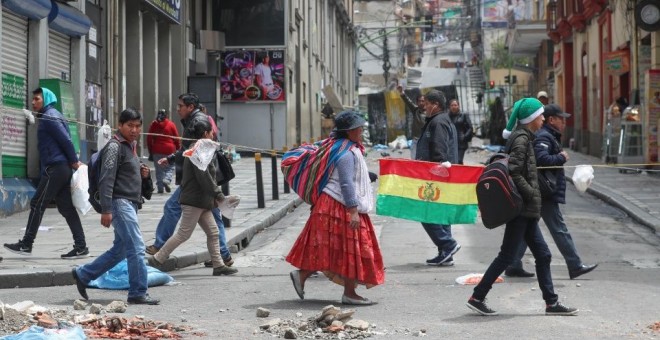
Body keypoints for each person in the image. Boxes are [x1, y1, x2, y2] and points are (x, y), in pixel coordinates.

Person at [467, 98, 578, 316]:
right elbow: (515, 172)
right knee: (507, 256)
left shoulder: (525, 137)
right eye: (540, 115)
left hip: (525, 209)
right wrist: (531, 192)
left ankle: (551, 303)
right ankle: (477, 296)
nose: (544, 119)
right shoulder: (521, 140)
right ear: (531, 119)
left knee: (543, 255)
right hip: (521, 208)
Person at [286, 111, 385, 305]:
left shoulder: (341, 147)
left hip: (331, 205)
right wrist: (353, 211)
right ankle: (349, 293)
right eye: (359, 127)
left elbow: (345, 175)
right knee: (352, 247)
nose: (361, 130)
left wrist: (368, 175)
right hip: (338, 206)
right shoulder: (346, 153)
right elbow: (346, 183)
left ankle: (302, 275)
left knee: (336, 248)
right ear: (349, 131)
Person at [72, 108, 159, 305]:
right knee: (137, 247)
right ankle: (138, 292)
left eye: (137, 126)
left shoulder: (130, 146)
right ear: (120, 125)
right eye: (130, 125)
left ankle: (83, 274)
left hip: (130, 203)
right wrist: (107, 209)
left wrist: (144, 175)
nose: (134, 130)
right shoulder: (114, 146)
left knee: (120, 250)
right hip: (119, 204)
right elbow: (106, 178)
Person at [505, 104, 598, 279]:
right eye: (561, 119)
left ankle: (513, 264)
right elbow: (541, 159)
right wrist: (561, 157)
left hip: (539, 189)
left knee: (528, 228)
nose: (564, 123)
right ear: (551, 119)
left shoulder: (547, 135)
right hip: (544, 191)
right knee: (558, 228)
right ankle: (575, 265)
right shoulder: (544, 136)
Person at [147, 94, 235, 270]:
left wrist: (215, 195)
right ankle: (158, 258)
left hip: (200, 196)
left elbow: (204, 176)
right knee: (184, 233)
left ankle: (219, 264)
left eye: (180, 106)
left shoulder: (200, 135)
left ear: (190, 106)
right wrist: (218, 195)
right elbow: (203, 177)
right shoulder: (199, 151)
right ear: (204, 134)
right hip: (195, 196)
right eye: (211, 133)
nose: (213, 135)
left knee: (213, 230)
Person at [4, 87, 88, 259]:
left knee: (37, 204)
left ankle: (26, 244)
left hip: (56, 168)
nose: (33, 102)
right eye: (33, 100)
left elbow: (65, 139)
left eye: (37, 99)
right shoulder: (50, 115)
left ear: (46, 99)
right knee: (66, 208)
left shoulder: (50, 116)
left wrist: (73, 160)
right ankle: (81, 247)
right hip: (60, 168)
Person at [415, 90, 460, 266]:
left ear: (435, 105)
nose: (423, 107)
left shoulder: (439, 122)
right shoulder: (439, 120)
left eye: (426, 103)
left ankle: (448, 244)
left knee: (424, 212)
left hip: (436, 176)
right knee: (442, 215)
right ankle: (446, 253)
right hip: (441, 175)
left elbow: (439, 152)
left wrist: (434, 174)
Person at [147, 109, 180, 194]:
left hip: (156, 149)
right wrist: (178, 148)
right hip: (169, 149)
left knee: (159, 169)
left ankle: (160, 188)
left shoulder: (153, 124)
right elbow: (176, 138)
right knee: (170, 166)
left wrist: (151, 149)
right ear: (166, 116)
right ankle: (167, 179)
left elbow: (149, 138)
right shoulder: (171, 124)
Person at [448, 99, 473, 164]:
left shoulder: (463, 115)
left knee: (458, 160)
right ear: (450, 107)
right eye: (452, 105)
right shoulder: (447, 116)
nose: (453, 107)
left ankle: (460, 172)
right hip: (451, 142)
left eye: (455, 105)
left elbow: (470, 128)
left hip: (461, 142)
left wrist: (464, 137)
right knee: (452, 161)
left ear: (458, 106)